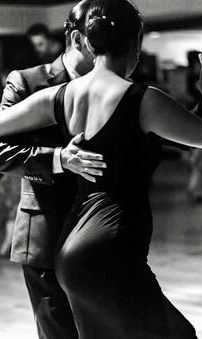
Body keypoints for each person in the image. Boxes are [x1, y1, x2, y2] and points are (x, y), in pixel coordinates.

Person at [1, 0, 202, 337]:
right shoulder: (143, 98)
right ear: (135, 44)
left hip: (72, 249)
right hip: (105, 246)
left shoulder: (60, 95)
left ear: (88, 41)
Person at [0, 1, 107, 338]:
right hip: (44, 232)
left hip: (100, 234)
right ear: (77, 38)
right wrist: (59, 158)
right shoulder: (27, 82)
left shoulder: (113, 85)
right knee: (57, 331)